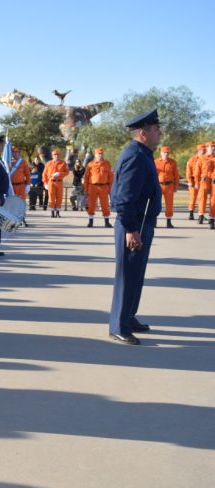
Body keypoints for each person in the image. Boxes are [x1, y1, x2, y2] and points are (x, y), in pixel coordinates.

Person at [109, 109, 163, 345]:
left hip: (141, 222)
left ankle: (128, 317)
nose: (160, 133)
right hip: (134, 225)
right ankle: (118, 326)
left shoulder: (143, 153)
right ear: (143, 133)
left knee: (136, 275)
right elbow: (124, 198)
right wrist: (131, 229)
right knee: (127, 275)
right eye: (156, 129)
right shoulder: (135, 156)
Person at [83, 147, 114, 227]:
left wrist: (110, 189)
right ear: (95, 155)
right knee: (91, 205)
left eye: (101, 154)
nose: (100, 155)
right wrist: (86, 190)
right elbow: (86, 178)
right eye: (98, 154)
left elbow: (111, 177)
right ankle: (90, 221)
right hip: (92, 186)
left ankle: (107, 222)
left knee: (105, 205)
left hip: (104, 187)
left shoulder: (107, 164)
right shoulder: (90, 164)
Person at [154, 145, 180, 228]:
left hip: (169, 186)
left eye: (167, 153)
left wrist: (175, 186)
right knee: (156, 203)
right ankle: (154, 221)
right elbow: (152, 175)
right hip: (158, 185)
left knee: (169, 204)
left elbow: (176, 175)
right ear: (161, 153)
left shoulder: (172, 162)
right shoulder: (155, 162)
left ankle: (168, 221)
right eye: (164, 152)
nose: (166, 154)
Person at [194, 141, 215, 227]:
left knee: (214, 200)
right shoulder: (202, 158)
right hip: (204, 181)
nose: (213, 148)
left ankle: (212, 218)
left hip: (214, 181)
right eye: (211, 147)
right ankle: (201, 215)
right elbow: (197, 172)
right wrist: (196, 182)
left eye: (214, 147)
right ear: (207, 148)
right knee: (202, 198)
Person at [43, 149, 69, 217]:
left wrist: (60, 173)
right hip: (51, 182)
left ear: (59, 155)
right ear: (52, 156)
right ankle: (52, 212)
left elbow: (67, 172)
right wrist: (45, 183)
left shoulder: (63, 163)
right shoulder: (48, 163)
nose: (56, 156)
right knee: (51, 197)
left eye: (57, 155)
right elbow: (44, 174)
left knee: (59, 197)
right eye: (55, 155)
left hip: (59, 182)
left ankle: (57, 212)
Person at [185, 144, 206, 220]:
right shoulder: (192, 159)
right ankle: (191, 213)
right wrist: (189, 181)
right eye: (202, 150)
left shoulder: (206, 159)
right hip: (193, 181)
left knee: (202, 199)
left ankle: (201, 215)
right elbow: (188, 171)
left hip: (203, 181)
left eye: (205, 150)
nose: (204, 152)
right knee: (193, 198)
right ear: (199, 151)